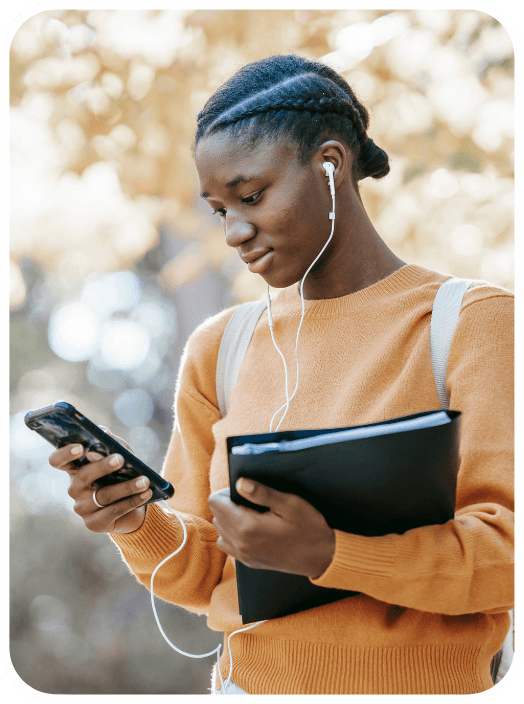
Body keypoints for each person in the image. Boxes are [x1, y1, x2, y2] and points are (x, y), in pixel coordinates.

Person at [48, 54, 514, 695]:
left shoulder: (471, 323)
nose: (236, 230)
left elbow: (507, 556)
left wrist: (330, 554)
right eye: (219, 210)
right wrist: (133, 520)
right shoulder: (222, 348)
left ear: (330, 166)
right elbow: (202, 574)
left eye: (251, 195)